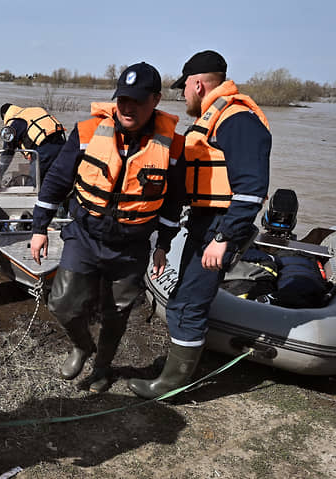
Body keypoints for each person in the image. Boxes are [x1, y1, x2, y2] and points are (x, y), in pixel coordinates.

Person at [30, 62, 185, 393]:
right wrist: (39, 227)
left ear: (156, 100)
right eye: (123, 99)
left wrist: (164, 245)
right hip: (85, 236)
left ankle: (102, 368)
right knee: (62, 302)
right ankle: (82, 346)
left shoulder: (173, 146)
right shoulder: (87, 131)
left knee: (117, 313)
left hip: (131, 246)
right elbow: (57, 180)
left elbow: (173, 203)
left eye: (138, 101)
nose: (128, 108)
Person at [128, 50, 272, 399]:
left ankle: (173, 385)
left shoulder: (236, 119)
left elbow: (252, 189)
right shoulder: (215, 117)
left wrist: (224, 238)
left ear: (197, 83)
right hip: (205, 223)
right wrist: (164, 242)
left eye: (184, 89)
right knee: (184, 300)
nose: (183, 96)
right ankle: (179, 373)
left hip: (220, 227)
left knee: (188, 304)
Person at [0, 103, 66, 181]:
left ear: (4, 115)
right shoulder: (34, 112)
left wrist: (0, 175)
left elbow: (7, 153)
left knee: (33, 184)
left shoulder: (14, 123)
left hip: (44, 152)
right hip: (63, 147)